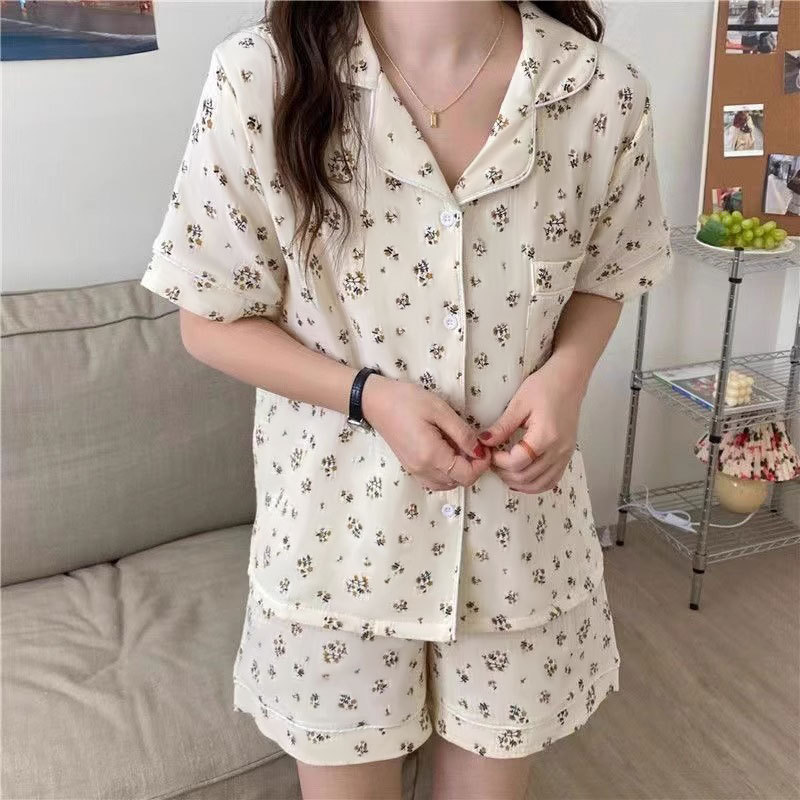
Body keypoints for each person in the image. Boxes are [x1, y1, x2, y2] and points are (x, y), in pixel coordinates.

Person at [139, 2, 674, 798]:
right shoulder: (263, 77)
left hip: (515, 542)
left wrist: (566, 376)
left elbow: (609, 270)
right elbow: (209, 318)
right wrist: (369, 397)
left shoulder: (599, 91)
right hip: (335, 551)